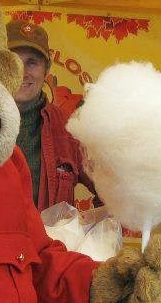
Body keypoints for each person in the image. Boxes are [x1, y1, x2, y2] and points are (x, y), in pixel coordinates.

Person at [7, 19, 96, 211]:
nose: (23, 73)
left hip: (49, 241)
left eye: (32, 63)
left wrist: (94, 228)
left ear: (46, 69)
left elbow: (111, 192)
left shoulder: (68, 128)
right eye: (14, 62)